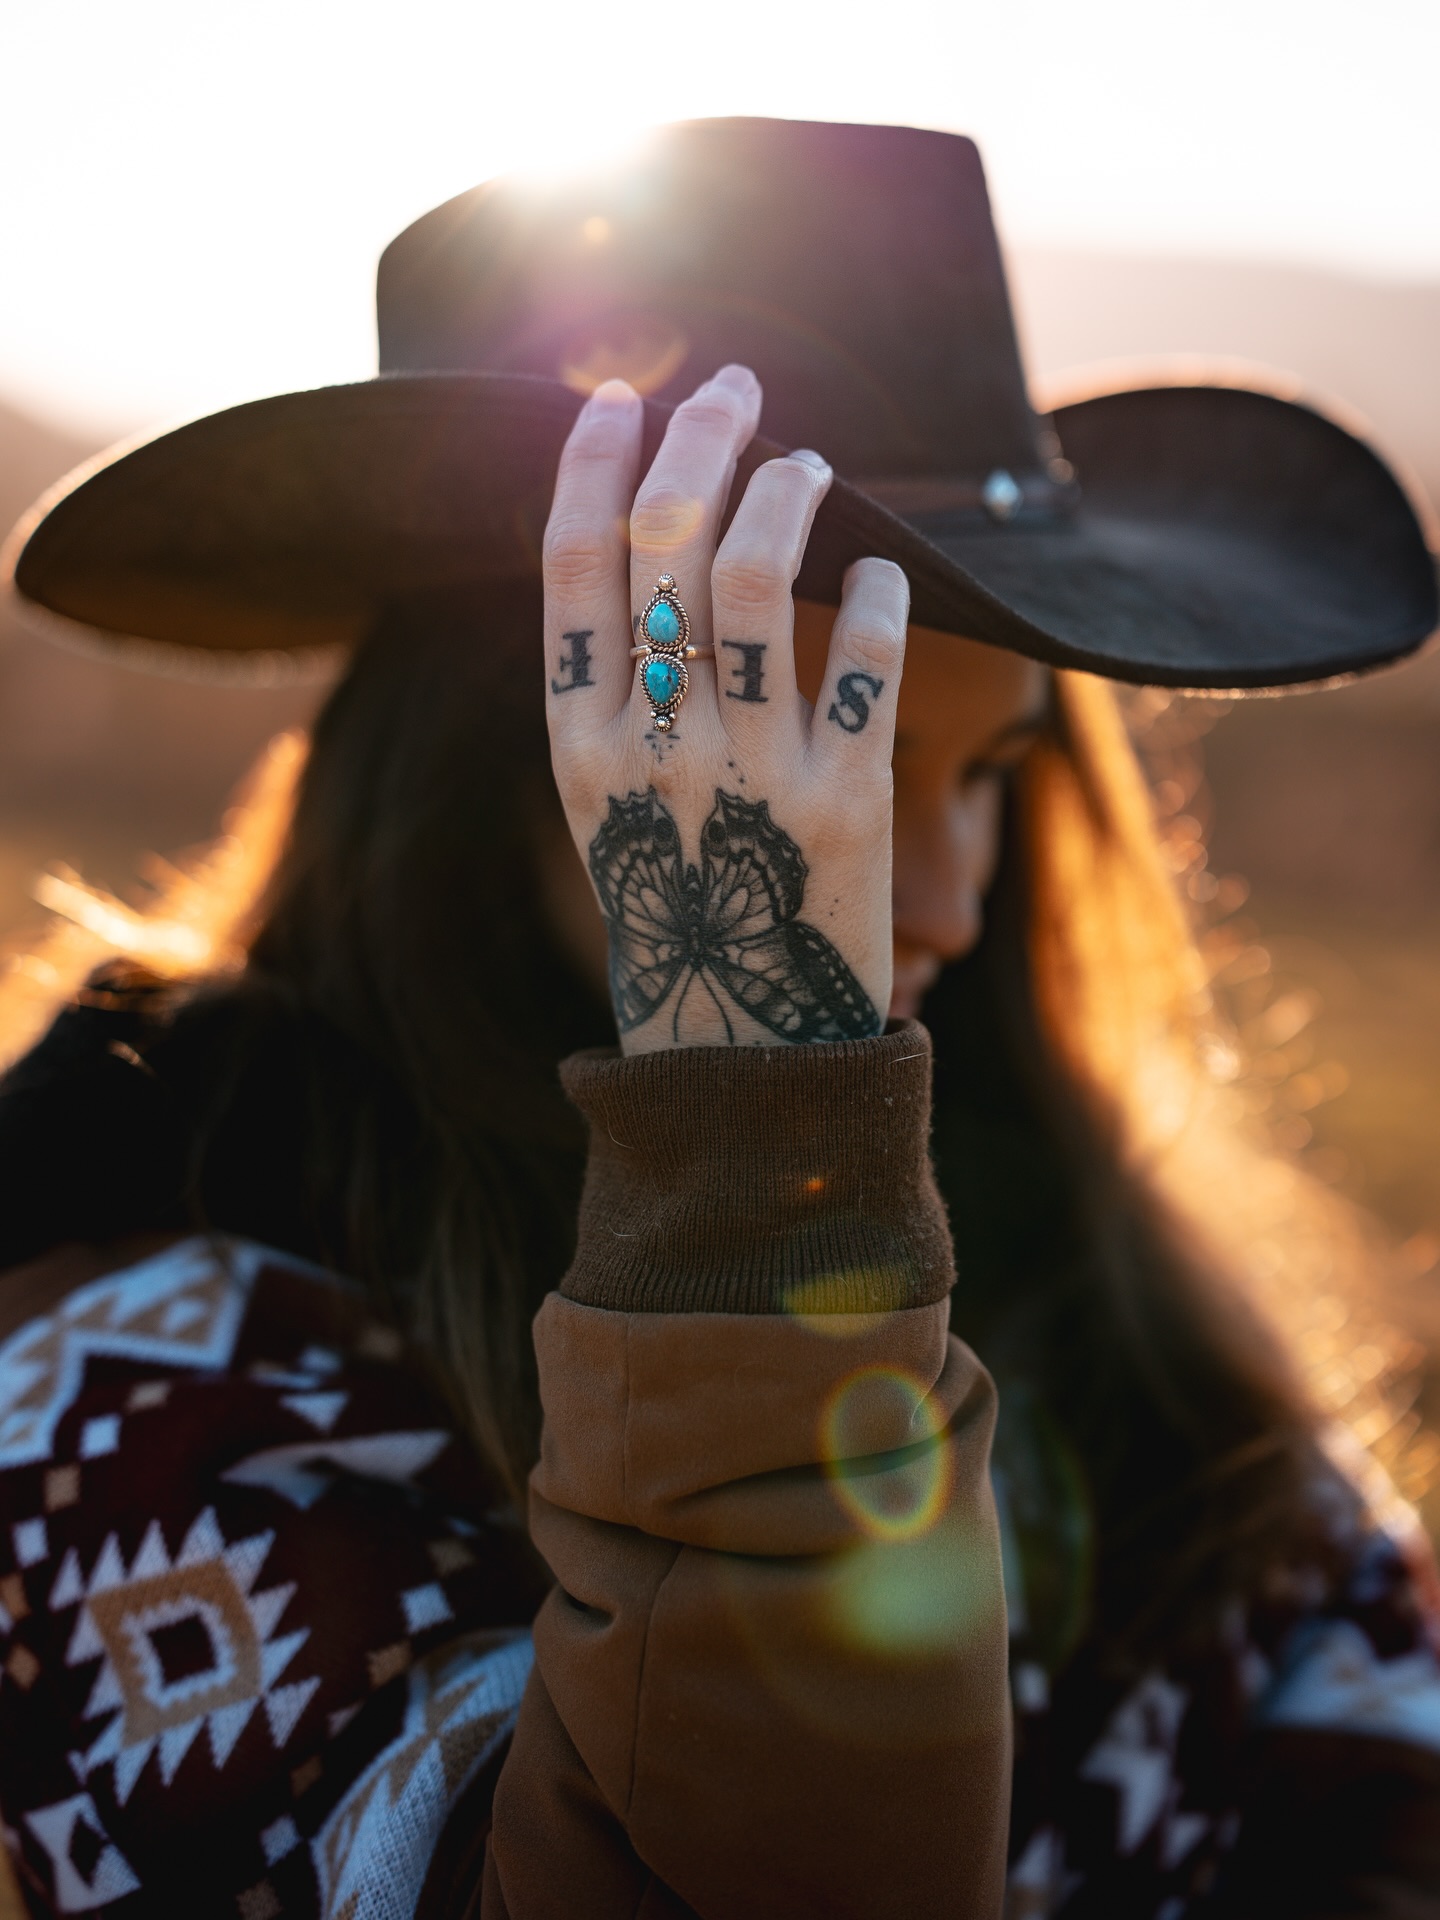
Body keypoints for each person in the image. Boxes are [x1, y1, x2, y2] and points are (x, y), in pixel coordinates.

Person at [1, 116, 1438, 1919]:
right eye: (824, 772)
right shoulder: (134, 1380)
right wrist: (757, 1135)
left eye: (983, 775)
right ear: (525, 736)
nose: (946, 897)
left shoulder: (1130, 1320)